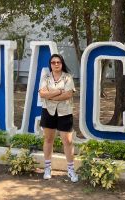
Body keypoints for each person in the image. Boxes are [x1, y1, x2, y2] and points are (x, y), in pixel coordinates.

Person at [38, 54, 78, 182]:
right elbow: (41, 93)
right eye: (53, 62)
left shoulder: (68, 77)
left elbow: (68, 94)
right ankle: (48, 168)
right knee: (49, 139)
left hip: (64, 112)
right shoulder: (46, 77)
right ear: (50, 64)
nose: (56, 64)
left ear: (62, 64)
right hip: (48, 112)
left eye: (58, 62)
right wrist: (57, 92)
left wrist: (50, 96)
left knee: (68, 141)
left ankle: (71, 170)